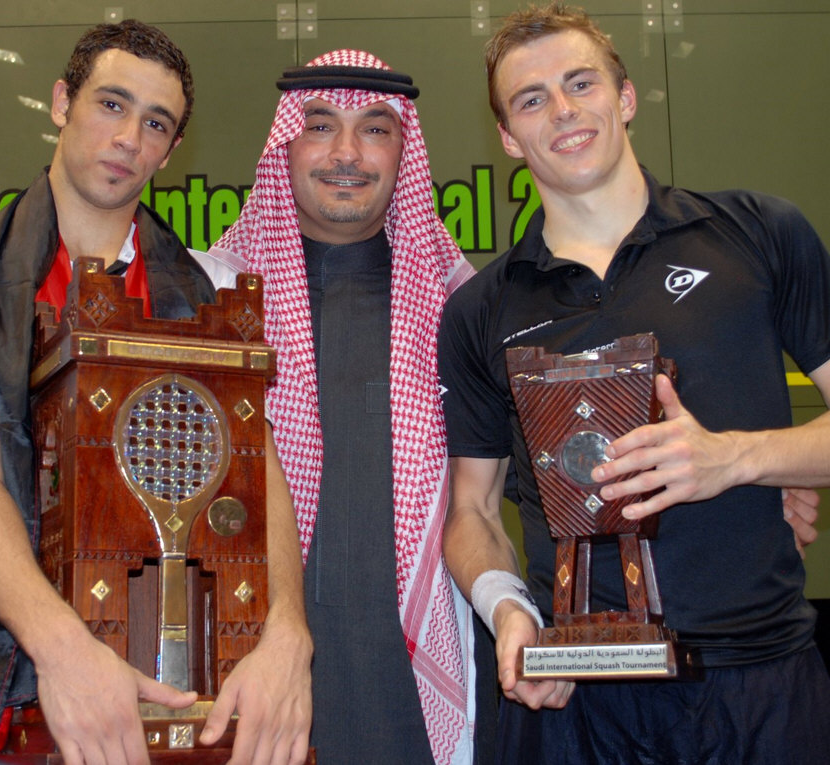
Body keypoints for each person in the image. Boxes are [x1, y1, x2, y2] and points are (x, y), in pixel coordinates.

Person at [437, 3, 830, 763]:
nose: (562, 109)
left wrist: (735, 459)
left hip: (760, 683)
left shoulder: (758, 233)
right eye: (531, 98)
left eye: (580, 83)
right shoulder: (481, 309)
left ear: (624, 98)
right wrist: (508, 612)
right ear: (509, 138)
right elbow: (473, 512)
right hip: (578, 701)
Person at [0, 20, 310, 765]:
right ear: (62, 102)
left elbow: (260, 477)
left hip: (176, 639)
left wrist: (289, 630)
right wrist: (64, 651)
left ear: (172, 148)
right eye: (111, 104)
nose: (128, 137)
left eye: (155, 123)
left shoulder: (213, 284)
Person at [206, 50, 485, 764]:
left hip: (407, 684)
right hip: (248, 673)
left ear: (404, 150)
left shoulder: (461, 306)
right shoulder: (207, 298)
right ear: (284, 144)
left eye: (376, 129)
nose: (347, 153)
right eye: (321, 124)